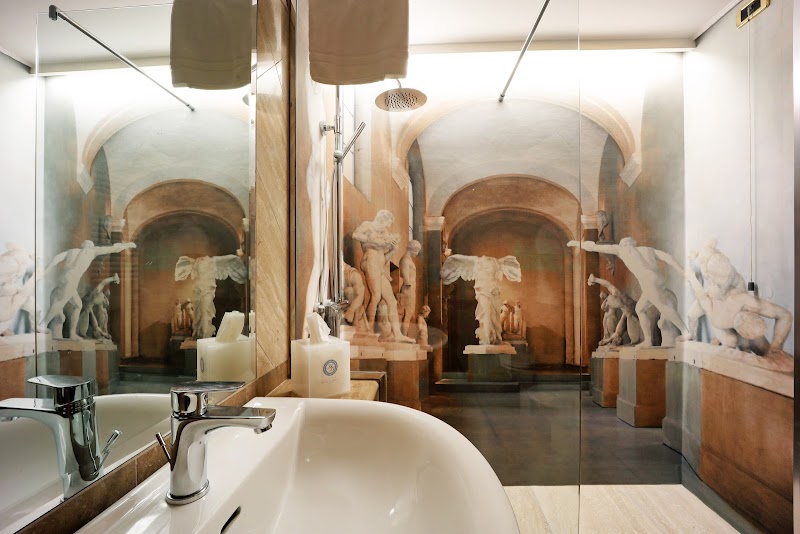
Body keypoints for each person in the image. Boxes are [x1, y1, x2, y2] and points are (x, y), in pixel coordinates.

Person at [568, 238, 689, 347]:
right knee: (640, 309)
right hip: (656, 278)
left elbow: (594, 247)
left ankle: (686, 332)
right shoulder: (647, 250)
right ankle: (648, 341)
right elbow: (668, 257)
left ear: (624, 244)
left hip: (647, 281)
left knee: (664, 307)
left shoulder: (621, 250)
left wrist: (578, 243)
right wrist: (682, 271)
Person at [40, 240, 136, 339]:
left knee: (78, 305)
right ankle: (42, 325)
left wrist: (45, 270)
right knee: (61, 302)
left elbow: (56, 258)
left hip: (64, 277)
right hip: (72, 279)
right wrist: (128, 245)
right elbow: (113, 248)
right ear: (90, 245)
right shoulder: (92, 251)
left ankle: (72, 333)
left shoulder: (72, 251)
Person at [352, 210, 413, 343]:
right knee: (376, 295)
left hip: (380, 267)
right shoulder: (368, 225)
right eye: (387, 224)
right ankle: (368, 331)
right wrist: (375, 241)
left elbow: (384, 259)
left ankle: (398, 334)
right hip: (370, 261)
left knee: (391, 301)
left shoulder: (384, 233)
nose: (387, 228)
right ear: (381, 219)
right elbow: (355, 234)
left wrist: (393, 250)